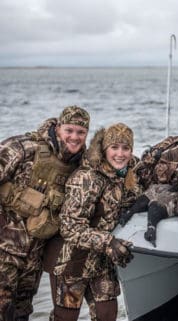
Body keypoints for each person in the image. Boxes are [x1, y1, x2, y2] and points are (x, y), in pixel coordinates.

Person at [0, 106, 90, 321]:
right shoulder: (23, 147)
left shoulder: (81, 164)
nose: (74, 137)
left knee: (21, 311)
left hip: (34, 256)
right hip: (4, 249)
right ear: (58, 128)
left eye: (81, 132)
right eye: (69, 130)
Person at [48, 123, 142, 321]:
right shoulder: (86, 178)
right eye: (114, 147)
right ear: (104, 149)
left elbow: (137, 199)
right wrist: (109, 243)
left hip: (102, 262)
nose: (120, 153)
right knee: (65, 317)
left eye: (126, 148)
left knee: (107, 315)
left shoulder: (127, 175)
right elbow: (70, 227)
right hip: (72, 261)